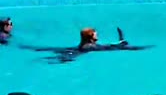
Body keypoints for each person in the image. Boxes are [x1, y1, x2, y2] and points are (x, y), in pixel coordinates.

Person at [20, 27, 153, 64]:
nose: (97, 35)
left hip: (74, 51)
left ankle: (34, 50)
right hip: (74, 55)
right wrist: (126, 46)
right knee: (61, 58)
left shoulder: (86, 44)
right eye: (95, 34)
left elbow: (106, 45)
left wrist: (119, 42)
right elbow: (106, 48)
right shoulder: (90, 47)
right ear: (91, 37)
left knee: (54, 50)